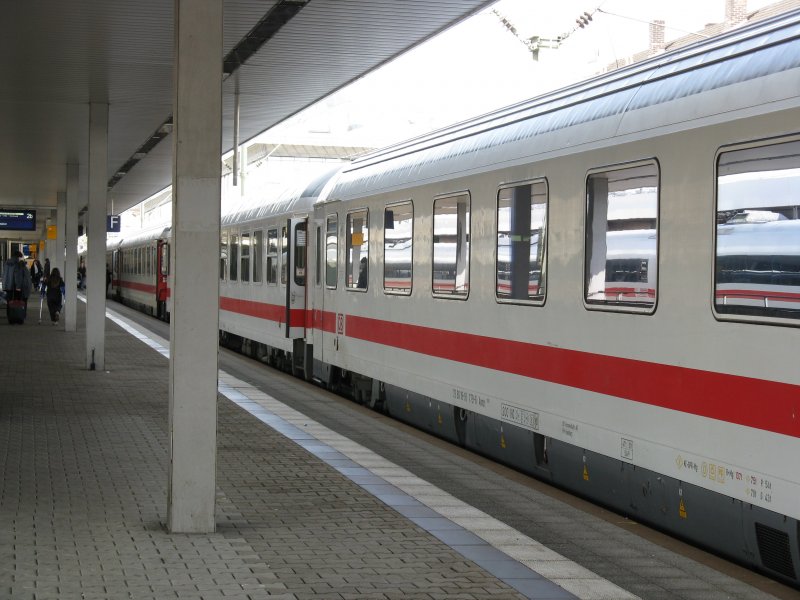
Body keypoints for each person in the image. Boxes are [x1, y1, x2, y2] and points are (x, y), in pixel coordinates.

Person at [3, 251, 32, 321]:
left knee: (9, 301)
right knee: (16, 301)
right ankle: (17, 315)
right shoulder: (16, 264)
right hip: (14, 286)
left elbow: (4, 274)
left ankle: (9, 315)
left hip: (7, 285)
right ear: (18, 257)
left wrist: (4, 284)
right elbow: (17, 276)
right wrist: (18, 286)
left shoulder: (6, 263)